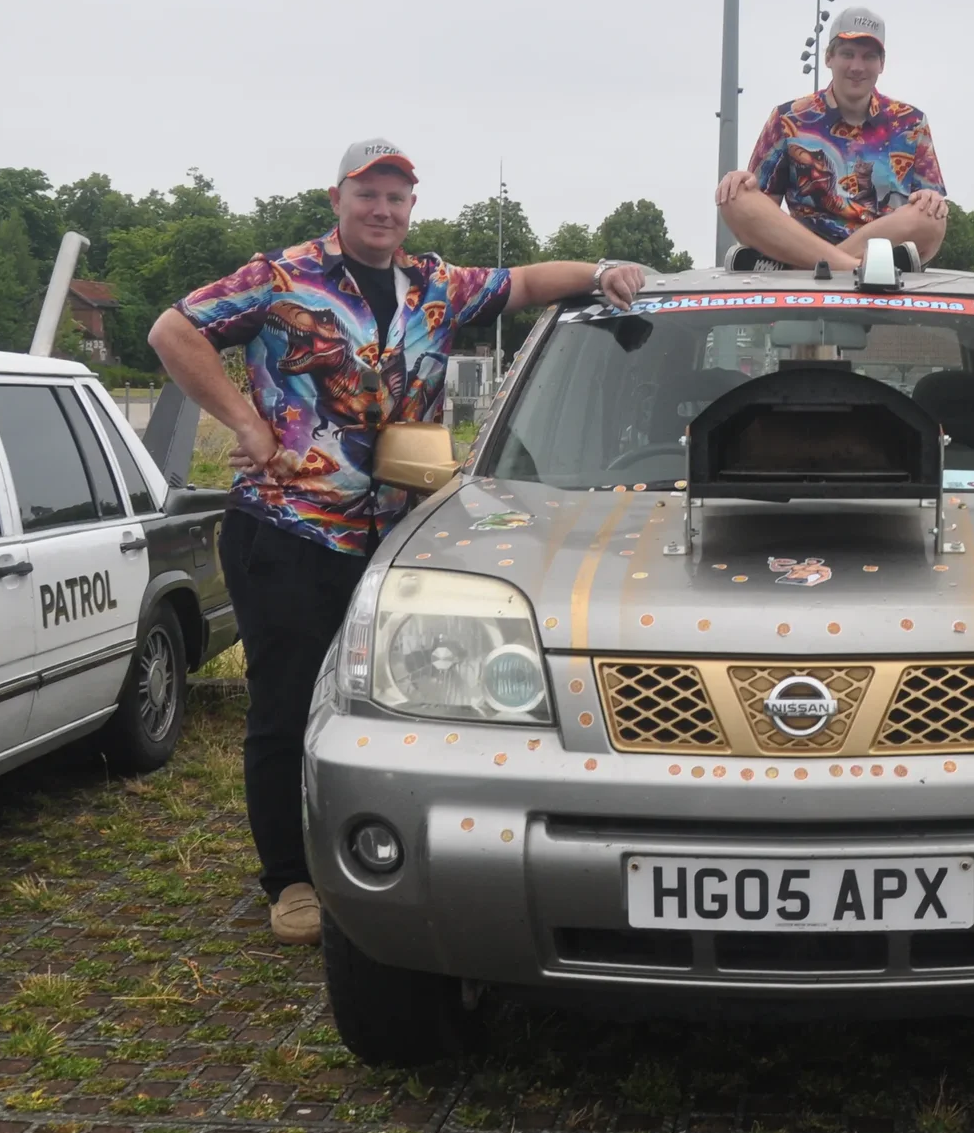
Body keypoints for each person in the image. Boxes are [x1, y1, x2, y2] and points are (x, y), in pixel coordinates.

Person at [149, 137, 646, 946]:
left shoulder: (436, 285)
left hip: (401, 537)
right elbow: (172, 332)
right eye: (367, 195)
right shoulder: (281, 279)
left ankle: (380, 851)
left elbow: (523, 284)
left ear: (410, 206)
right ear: (338, 199)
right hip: (289, 527)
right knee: (285, 707)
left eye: (395, 197)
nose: (381, 210)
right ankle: (291, 881)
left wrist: (600, 273)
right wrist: (246, 422)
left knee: (390, 704)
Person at [713, 6, 949, 269]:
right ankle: (856, 270)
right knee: (736, 196)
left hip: (877, 246)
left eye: (868, 57)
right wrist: (742, 184)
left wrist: (931, 198)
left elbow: (929, 205)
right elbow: (763, 204)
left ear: (881, 64)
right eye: (847, 54)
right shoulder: (787, 118)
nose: (857, 67)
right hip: (808, 244)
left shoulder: (911, 122)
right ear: (828, 58)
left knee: (932, 216)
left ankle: (817, 270)